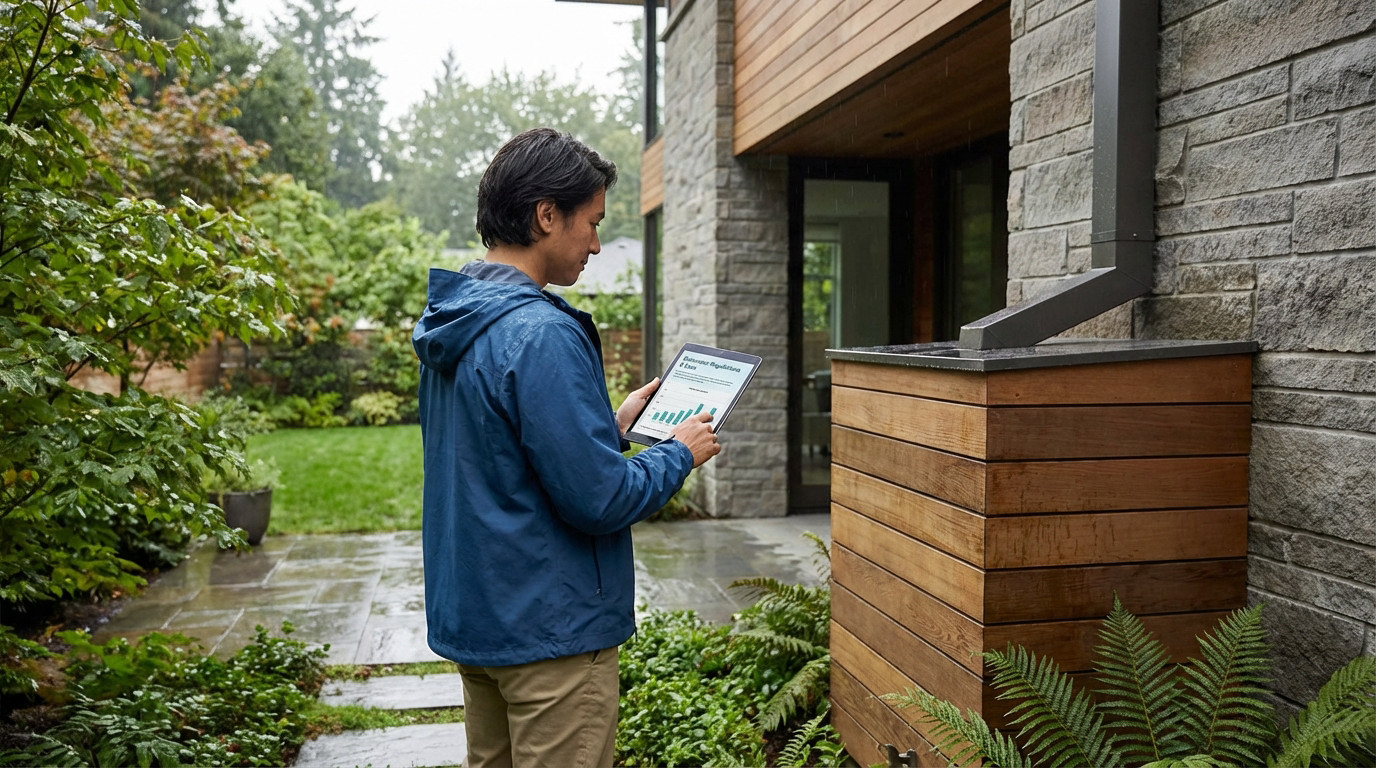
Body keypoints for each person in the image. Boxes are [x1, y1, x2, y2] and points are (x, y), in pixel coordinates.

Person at [412, 127, 721, 768]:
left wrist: (609, 425)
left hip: (482, 622)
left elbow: (499, 455)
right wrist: (679, 452)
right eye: (592, 222)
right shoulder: (540, 332)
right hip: (550, 636)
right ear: (546, 215)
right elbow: (601, 499)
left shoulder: (458, 321)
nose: (597, 244)